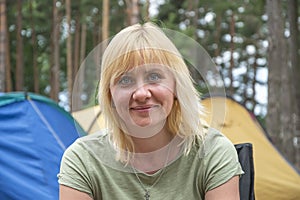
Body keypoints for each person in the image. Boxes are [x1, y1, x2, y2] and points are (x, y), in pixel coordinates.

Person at [58, 22, 244, 200]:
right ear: (109, 94)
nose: (141, 93)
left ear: (177, 85)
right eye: (125, 80)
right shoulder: (82, 160)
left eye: (154, 76)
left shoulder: (213, 153)